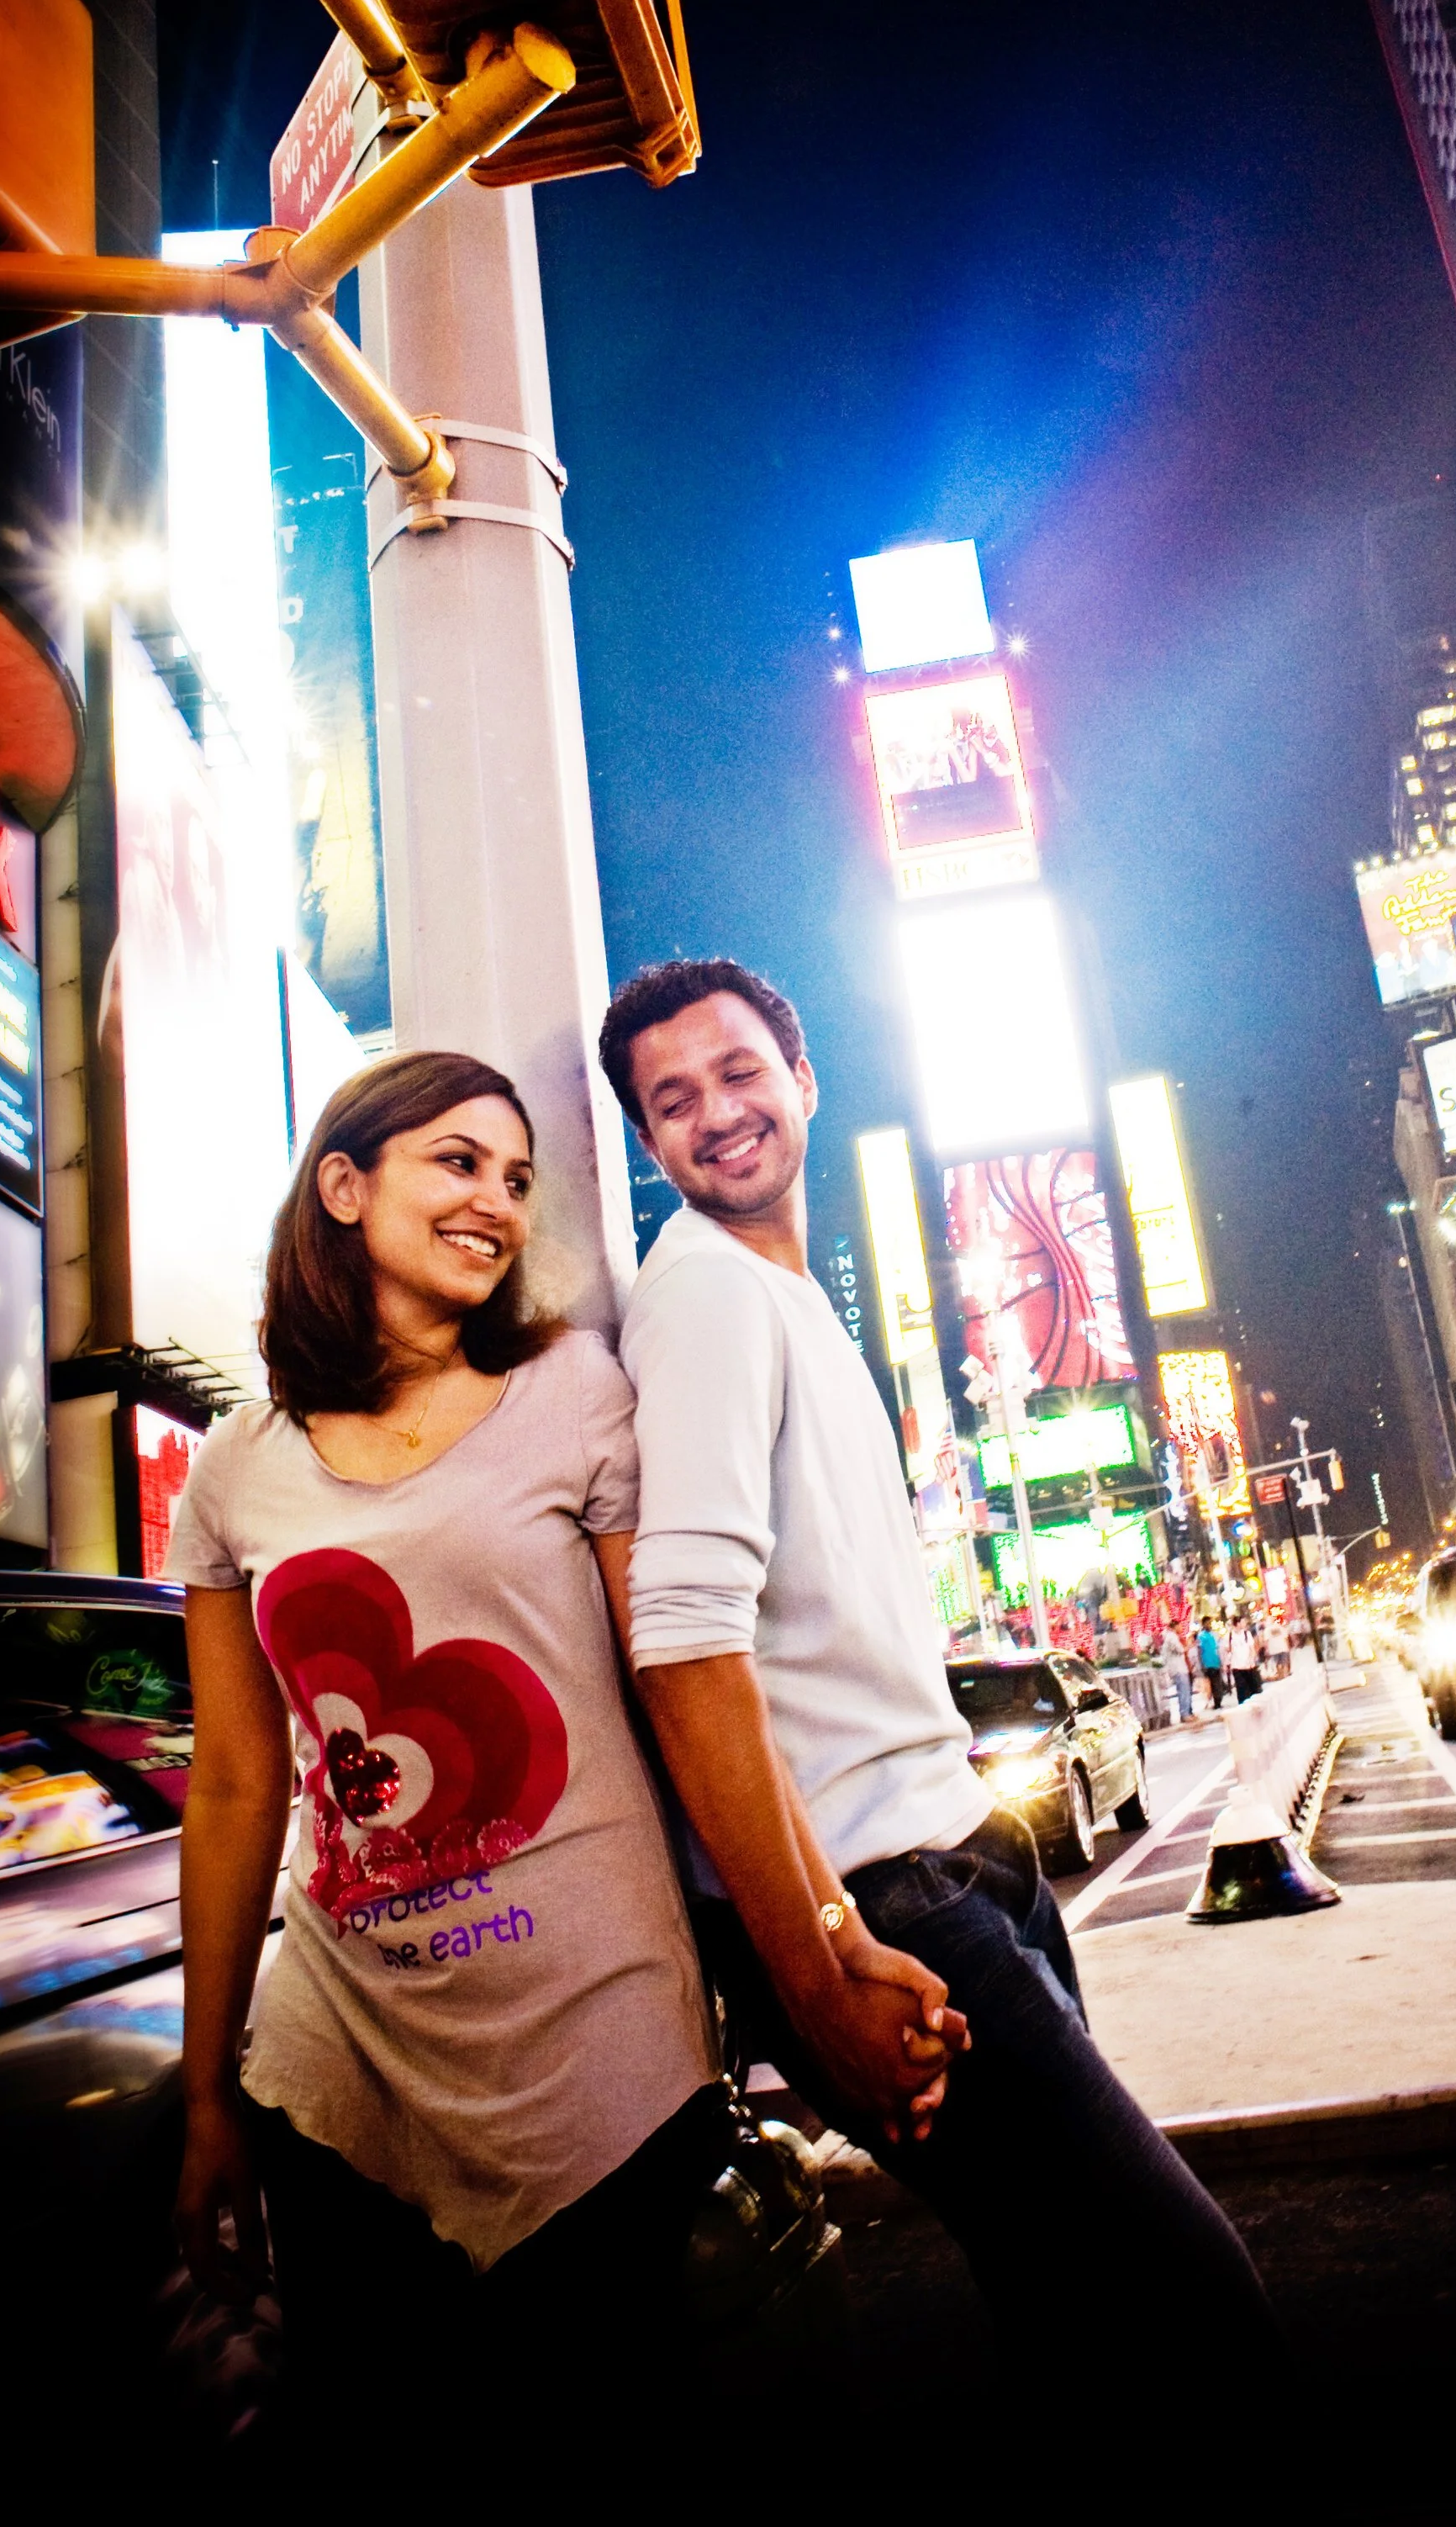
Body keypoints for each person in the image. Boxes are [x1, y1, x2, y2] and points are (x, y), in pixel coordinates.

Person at [599, 957, 1276, 2350]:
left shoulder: (782, 1296)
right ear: (648, 1145)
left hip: (959, 1860)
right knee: (1194, 2310)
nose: (716, 1115)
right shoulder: (708, 1298)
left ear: (803, 1078)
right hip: (885, 1905)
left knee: (1073, 2312)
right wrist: (819, 1967)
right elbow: (680, 1648)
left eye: (738, 1074)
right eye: (672, 1102)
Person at [167, 1050, 736, 2411]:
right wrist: (207, 2092)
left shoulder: (576, 1390)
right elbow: (240, 1782)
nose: (496, 1199)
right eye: (459, 1160)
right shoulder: (239, 1462)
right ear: (346, 1185)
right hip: (342, 2065)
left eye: (519, 1178)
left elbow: (684, 1683)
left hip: (600, 2048)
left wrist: (810, 1950)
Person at [1226, 1609, 1261, 1710]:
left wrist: (1252, 1659)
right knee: (1241, 1688)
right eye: (1242, 1622)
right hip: (1237, 1666)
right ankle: (1243, 1706)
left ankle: (1254, 1705)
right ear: (1237, 1623)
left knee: (1252, 1687)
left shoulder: (1247, 1634)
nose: (1244, 1624)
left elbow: (1252, 1648)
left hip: (1248, 1665)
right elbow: (1228, 1650)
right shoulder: (1230, 1636)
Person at [1160, 1620, 1193, 1725]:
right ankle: (1185, 1714)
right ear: (1176, 1626)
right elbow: (1180, 1650)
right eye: (1180, 1626)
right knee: (1183, 1691)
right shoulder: (1172, 1637)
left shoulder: (1170, 1637)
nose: (1181, 1628)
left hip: (1178, 1668)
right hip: (1178, 1668)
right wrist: (1189, 1646)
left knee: (1184, 1691)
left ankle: (1186, 1713)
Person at [1195, 1615, 1226, 1711]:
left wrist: (1220, 1661)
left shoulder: (1213, 1635)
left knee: (1218, 1683)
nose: (1210, 1625)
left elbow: (1216, 1649)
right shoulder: (1201, 1636)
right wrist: (1202, 1664)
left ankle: (1218, 1702)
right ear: (1204, 1624)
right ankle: (1216, 1702)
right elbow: (1199, 1651)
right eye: (1208, 1623)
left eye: (1210, 1623)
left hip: (1215, 1662)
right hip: (1208, 1664)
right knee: (1214, 1684)